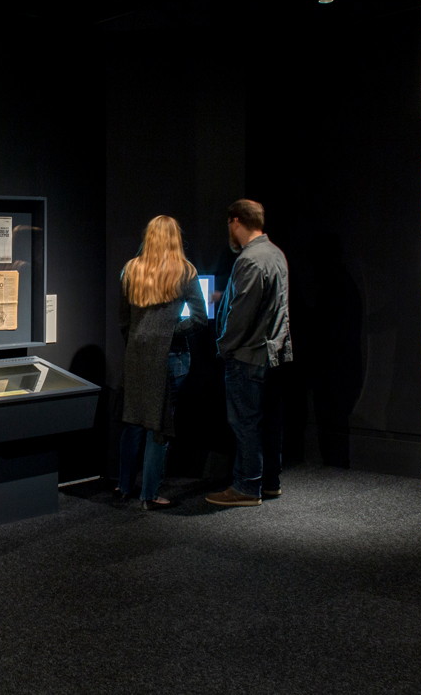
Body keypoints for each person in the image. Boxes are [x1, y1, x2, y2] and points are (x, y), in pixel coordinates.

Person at [116, 216, 207, 510]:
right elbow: (199, 318)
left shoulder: (131, 270)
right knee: (159, 424)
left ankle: (125, 486)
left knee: (134, 421)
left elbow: (124, 321)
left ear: (149, 237)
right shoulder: (185, 272)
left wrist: (139, 341)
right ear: (174, 239)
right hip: (170, 356)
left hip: (137, 356)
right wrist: (170, 333)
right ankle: (150, 494)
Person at [208, 200, 294, 507]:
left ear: (235, 222)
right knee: (269, 422)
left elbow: (242, 314)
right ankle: (269, 482)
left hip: (247, 356)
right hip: (273, 355)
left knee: (246, 423)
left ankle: (246, 487)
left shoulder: (250, 259)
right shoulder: (275, 254)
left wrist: (223, 346)